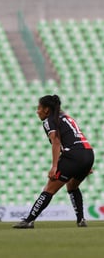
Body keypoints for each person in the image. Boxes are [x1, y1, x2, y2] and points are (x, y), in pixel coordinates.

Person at [13, 95, 94, 228]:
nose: (37, 111)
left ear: (46, 110)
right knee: (72, 186)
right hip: (88, 154)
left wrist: (54, 166)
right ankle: (81, 220)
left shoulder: (49, 120)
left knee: (49, 189)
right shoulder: (67, 118)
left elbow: (56, 142)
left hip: (73, 156)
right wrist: (85, 164)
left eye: (39, 108)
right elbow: (76, 136)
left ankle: (29, 221)